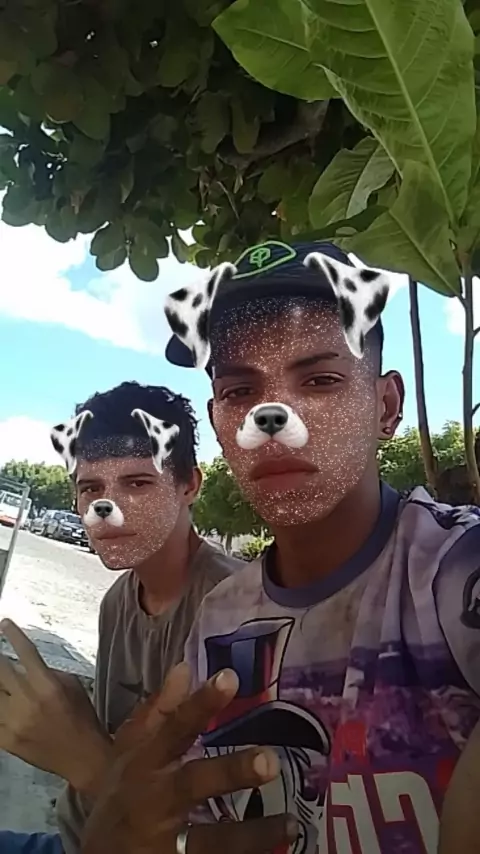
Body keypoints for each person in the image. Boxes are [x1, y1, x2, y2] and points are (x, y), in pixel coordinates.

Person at [1, 241, 480, 854]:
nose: (271, 416)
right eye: (238, 391)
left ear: (386, 406)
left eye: (320, 380)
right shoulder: (222, 621)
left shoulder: (451, 569)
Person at [0, 381, 243, 854]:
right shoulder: (117, 600)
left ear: (189, 485)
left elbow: (231, 821)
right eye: (90, 488)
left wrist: (82, 759)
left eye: (137, 483)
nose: (106, 509)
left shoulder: (238, 609)